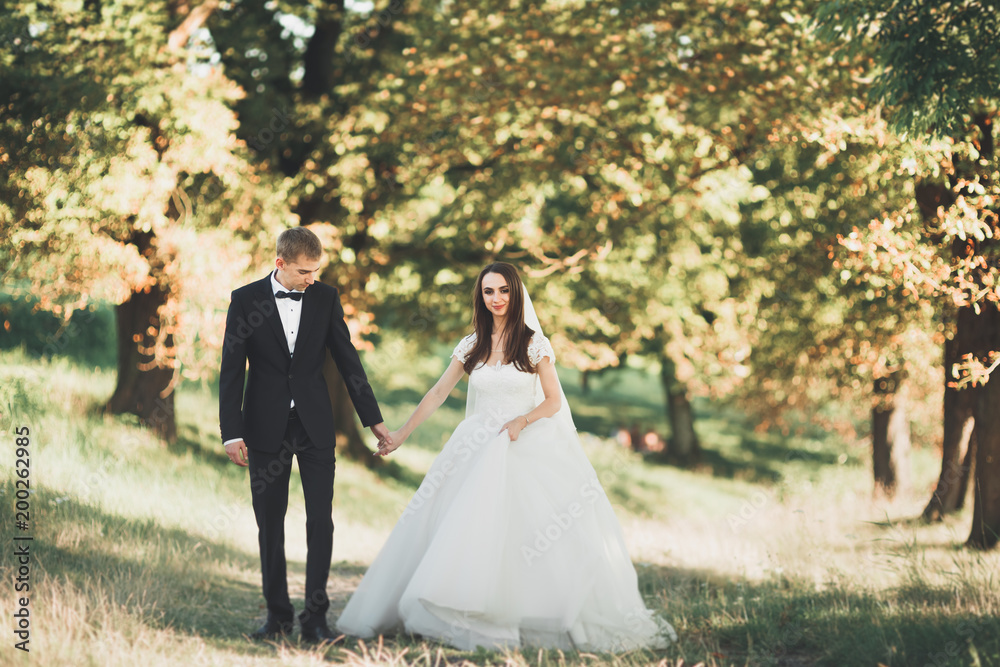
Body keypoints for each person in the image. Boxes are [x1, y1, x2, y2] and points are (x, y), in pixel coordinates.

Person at [336, 262, 675, 651]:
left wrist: (522, 420)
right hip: (474, 444)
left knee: (526, 532)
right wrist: (400, 434)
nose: (496, 299)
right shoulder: (472, 344)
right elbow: (437, 393)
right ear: (480, 297)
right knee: (457, 524)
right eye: (488, 292)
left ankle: (521, 616)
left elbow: (553, 401)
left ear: (515, 294)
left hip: (522, 440)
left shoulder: (534, 344)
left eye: (503, 291)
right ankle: (451, 607)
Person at [219, 227, 392, 644]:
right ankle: (277, 617)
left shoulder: (325, 298)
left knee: (321, 522)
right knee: (270, 524)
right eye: (303, 271)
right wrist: (231, 432)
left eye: (315, 271)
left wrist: (374, 421)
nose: (310, 279)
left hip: (314, 427)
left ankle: (315, 620)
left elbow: (349, 361)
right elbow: (231, 368)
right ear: (279, 263)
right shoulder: (245, 300)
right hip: (263, 429)